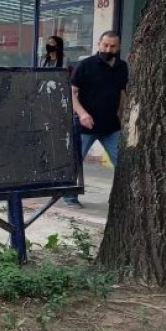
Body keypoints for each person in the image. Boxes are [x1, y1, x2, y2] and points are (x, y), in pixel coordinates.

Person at [63, 31, 128, 209]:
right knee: (75, 161)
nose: (108, 49)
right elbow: (71, 92)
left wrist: (122, 117)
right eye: (105, 45)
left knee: (124, 162)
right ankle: (69, 196)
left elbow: (122, 94)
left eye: (112, 46)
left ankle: (122, 198)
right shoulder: (85, 65)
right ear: (99, 44)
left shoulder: (122, 67)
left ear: (118, 47)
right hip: (85, 125)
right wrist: (82, 114)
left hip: (111, 126)